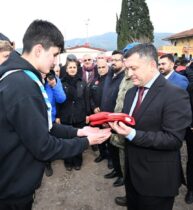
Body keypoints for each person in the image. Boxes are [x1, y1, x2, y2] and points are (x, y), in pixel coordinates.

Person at [0, 20, 111, 210]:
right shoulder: (22, 85)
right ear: (38, 50)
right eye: (54, 54)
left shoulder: (22, 78)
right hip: (11, 190)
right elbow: (44, 146)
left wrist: (79, 133)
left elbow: (45, 126)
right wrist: (86, 142)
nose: (55, 61)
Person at [109, 43, 192, 210]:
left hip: (156, 182)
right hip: (132, 176)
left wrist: (132, 134)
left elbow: (174, 139)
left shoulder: (175, 94)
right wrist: (113, 125)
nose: (129, 74)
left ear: (152, 65)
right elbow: (132, 121)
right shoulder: (131, 92)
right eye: (127, 69)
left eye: (133, 68)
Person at [58, 59, 87, 171]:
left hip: (79, 116)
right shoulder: (61, 82)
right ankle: (68, 161)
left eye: (74, 67)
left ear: (77, 68)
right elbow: (58, 101)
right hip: (66, 116)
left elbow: (85, 100)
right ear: (66, 69)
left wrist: (86, 115)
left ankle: (78, 161)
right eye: (70, 67)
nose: (72, 69)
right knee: (67, 140)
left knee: (78, 140)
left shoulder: (82, 82)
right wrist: (58, 116)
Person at [44, 66, 67, 176]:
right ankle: (47, 162)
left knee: (51, 138)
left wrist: (54, 85)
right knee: (42, 140)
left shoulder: (55, 82)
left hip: (50, 117)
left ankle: (53, 154)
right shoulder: (35, 81)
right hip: (38, 117)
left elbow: (61, 99)